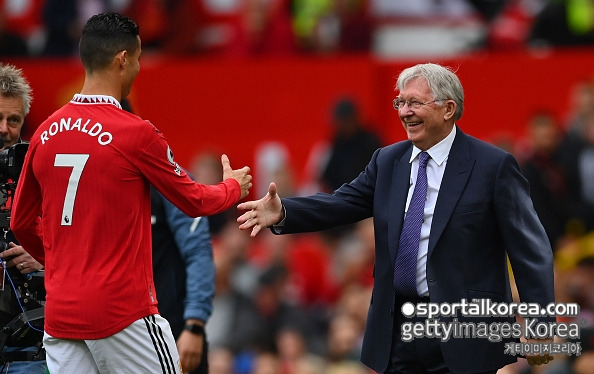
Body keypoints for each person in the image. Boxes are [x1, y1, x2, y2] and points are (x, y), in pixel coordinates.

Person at [237, 63, 555, 373]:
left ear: (448, 109)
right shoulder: (388, 160)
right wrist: (284, 211)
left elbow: (530, 250)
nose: (404, 111)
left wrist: (540, 324)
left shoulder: (493, 166)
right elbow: (341, 203)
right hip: (397, 329)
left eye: (415, 102)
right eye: (400, 102)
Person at [9, 12, 252, 374]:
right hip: (121, 313)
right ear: (123, 59)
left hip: (61, 313)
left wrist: (58, 259)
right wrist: (233, 186)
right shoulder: (135, 133)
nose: (139, 68)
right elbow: (195, 201)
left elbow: (21, 221)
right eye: (138, 59)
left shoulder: (44, 133)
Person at [0, 63, 46, 373]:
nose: (4, 128)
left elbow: (78, 242)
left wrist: (42, 254)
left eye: (13, 120)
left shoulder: (42, 177)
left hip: (26, 350)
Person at [151, 185, 214, 374]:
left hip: (173, 328)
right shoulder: (107, 180)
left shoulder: (173, 182)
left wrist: (194, 325)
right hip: (119, 329)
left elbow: (198, 253)